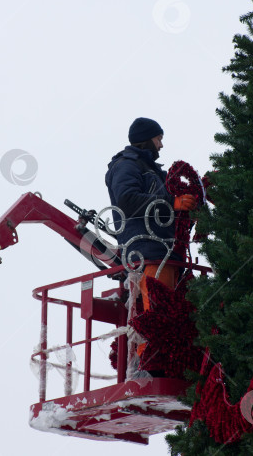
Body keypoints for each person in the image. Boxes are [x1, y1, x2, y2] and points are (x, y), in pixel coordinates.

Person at [105, 118, 197, 372]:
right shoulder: (126, 166)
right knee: (156, 311)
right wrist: (172, 201)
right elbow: (126, 198)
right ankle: (149, 365)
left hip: (164, 251)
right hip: (147, 250)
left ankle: (164, 363)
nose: (162, 145)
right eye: (159, 139)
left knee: (169, 308)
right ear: (147, 139)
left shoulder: (151, 170)